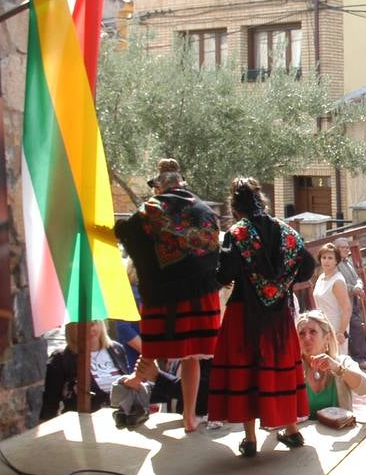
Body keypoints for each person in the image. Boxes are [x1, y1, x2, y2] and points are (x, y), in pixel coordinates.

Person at [207, 177, 315, 458]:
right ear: (262, 201)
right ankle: (291, 430)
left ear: (235, 206)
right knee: (279, 370)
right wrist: (284, 281)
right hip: (278, 315)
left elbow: (224, 274)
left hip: (243, 314)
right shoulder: (287, 232)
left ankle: (250, 439)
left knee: (246, 373)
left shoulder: (237, 233)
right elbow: (306, 269)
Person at [114, 158, 222, 434]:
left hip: (165, 293)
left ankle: (135, 382)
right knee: (193, 357)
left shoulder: (152, 208)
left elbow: (129, 232)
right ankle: (189, 417)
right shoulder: (204, 209)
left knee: (153, 346)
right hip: (201, 294)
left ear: (159, 185)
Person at [41, 321, 151, 427]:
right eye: (81, 325)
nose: (89, 329)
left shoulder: (116, 349)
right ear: (71, 329)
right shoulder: (61, 359)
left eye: (93, 323)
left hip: (122, 424)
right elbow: (49, 406)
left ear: (100, 324)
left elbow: (126, 389)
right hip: (82, 427)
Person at [296, 310, 366, 418]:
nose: (306, 337)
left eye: (313, 332)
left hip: (338, 432)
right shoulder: (294, 370)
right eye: (302, 333)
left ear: (327, 338)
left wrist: (338, 368)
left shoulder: (342, 362)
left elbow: (365, 388)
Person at [334, 239, 366, 367]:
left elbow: (357, 278)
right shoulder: (335, 265)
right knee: (355, 327)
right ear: (336, 249)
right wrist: (354, 288)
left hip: (354, 300)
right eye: (343, 247)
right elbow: (338, 284)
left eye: (347, 247)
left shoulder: (348, 263)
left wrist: (359, 285)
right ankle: (359, 359)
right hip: (344, 302)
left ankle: (364, 356)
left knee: (358, 327)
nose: (346, 250)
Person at [312, 242, 352, 349]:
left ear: (336, 261)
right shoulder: (321, 277)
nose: (326, 260)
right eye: (324, 257)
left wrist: (341, 332)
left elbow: (347, 308)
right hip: (321, 326)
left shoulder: (337, 281)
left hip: (336, 326)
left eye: (330, 258)